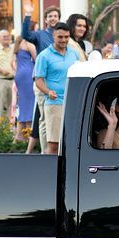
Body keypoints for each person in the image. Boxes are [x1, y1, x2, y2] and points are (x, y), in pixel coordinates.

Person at [33, 22, 77, 154]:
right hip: (55, 103)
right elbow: (38, 80)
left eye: (66, 37)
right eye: (60, 37)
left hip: (72, 103)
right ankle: (48, 172)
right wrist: (48, 91)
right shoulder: (44, 56)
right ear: (53, 36)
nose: (64, 40)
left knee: (69, 142)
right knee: (53, 145)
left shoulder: (73, 54)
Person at [22, 0, 61, 149]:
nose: (53, 18)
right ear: (45, 20)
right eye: (50, 16)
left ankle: (56, 148)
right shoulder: (39, 35)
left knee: (57, 117)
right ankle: (46, 152)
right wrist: (28, 14)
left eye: (55, 16)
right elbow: (25, 34)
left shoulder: (63, 36)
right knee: (44, 118)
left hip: (59, 83)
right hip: (42, 82)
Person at [13, 33, 37, 150]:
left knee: (23, 104)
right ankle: (28, 133)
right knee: (29, 105)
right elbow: (37, 60)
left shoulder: (17, 44)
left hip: (19, 75)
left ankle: (19, 135)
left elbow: (13, 63)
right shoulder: (29, 44)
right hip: (28, 74)